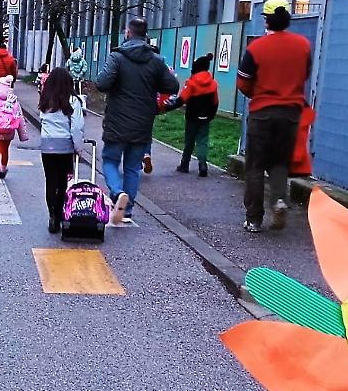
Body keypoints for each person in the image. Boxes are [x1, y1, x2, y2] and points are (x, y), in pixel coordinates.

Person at [95, 16, 179, 226]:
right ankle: (127, 210)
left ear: (127, 33)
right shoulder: (156, 60)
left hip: (117, 121)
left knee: (110, 160)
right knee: (132, 168)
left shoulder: (117, 57)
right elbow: (172, 86)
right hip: (142, 123)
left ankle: (117, 194)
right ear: (146, 35)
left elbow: (102, 83)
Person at [237, 0, 311, 233]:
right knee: (280, 163)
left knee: (256, 166)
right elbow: (304, 74)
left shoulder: (256, 48)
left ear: (267, 19)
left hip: (262, 112)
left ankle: (254, 218)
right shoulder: (303, 45)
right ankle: (279, 200)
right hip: (291, 114)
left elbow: (243, 83)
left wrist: (259, 93)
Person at [38, 67, 85, 233]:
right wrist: (79, 148)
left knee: (50, 181)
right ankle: (59, 212)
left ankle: (52, 216)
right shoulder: (73, 101)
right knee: (62, 182)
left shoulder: (45, 99)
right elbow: (77, 128)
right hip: (65, 147)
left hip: (47, 146)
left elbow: (42, 121)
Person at [175, 53, 218, 177]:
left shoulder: (191, 82)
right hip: (206, 116)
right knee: (203, 141)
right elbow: (215, 102)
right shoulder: (213, 83)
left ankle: (184, 164)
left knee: (189, 141)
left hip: (192, 116)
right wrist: (212, 115)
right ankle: (203, 164)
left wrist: (168, 106)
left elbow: (182, 99)